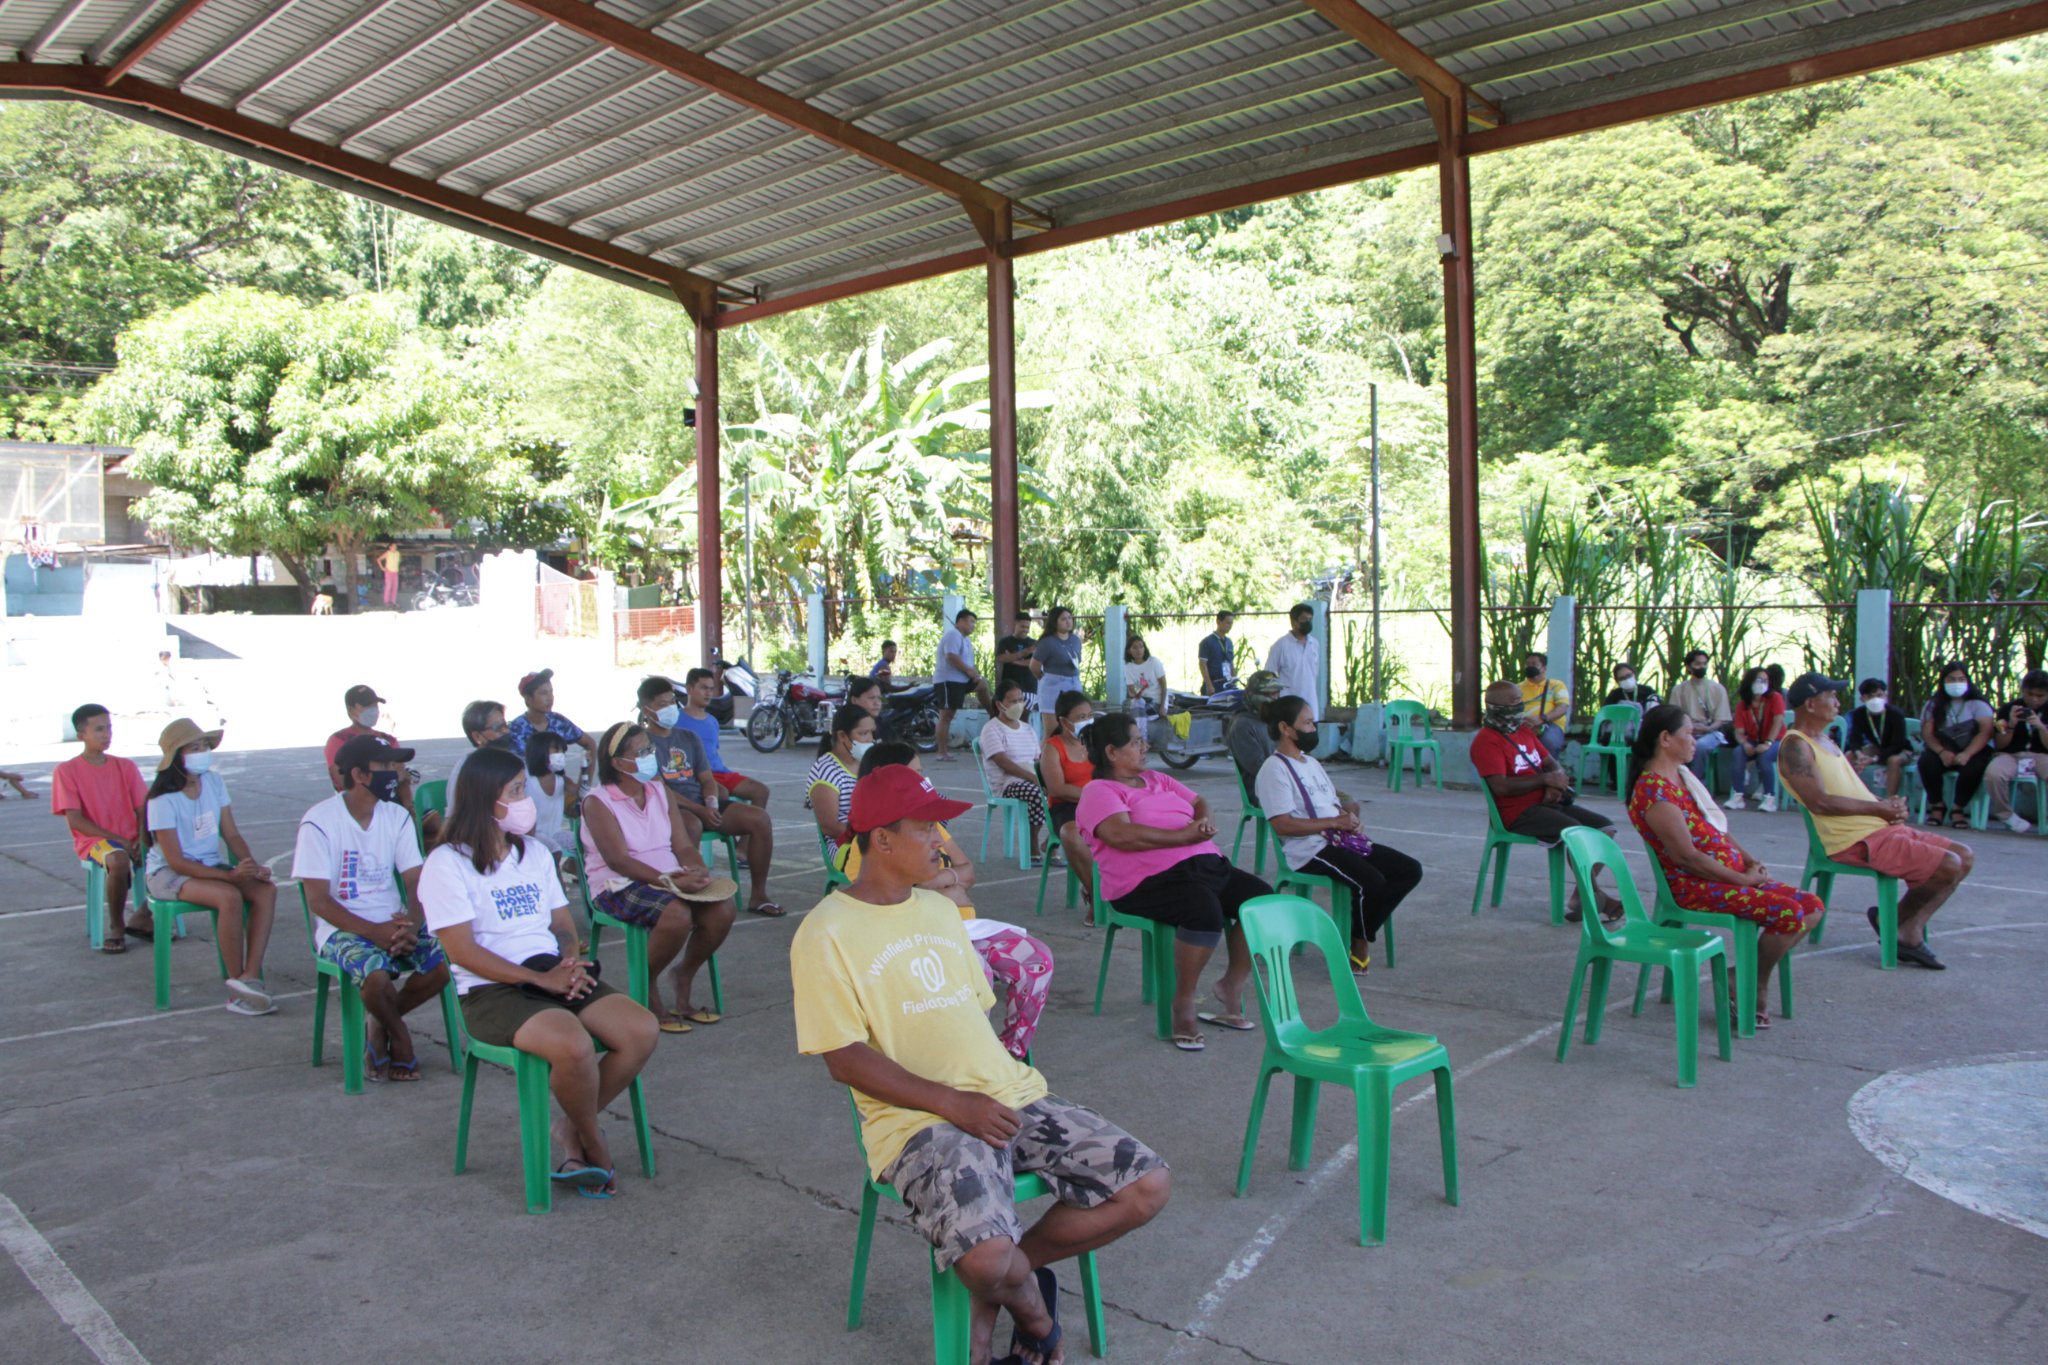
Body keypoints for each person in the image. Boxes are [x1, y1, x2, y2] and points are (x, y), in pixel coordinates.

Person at [790, 764, 1168, 1364]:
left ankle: (1010, 1279)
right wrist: (952, 1102)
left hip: (1010, 1094)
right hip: (918, 1121)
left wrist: (983, 1093)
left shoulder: (940, 911)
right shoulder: (825, 932)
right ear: (881, 839)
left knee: (1146, 1185)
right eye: (926, 828)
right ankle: (1036, 1316)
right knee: (986, 1259)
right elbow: (844, 1058)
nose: (941, 841)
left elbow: (971, 1011)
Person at [420, 746, 657, 1196]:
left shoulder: (532, 853)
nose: (526, 800)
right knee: (573, 1045)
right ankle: (592, 1141)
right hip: (490, 989)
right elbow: (461, 951)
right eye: (516, 791)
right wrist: (538, 980)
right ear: (487, 800)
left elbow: (562, 924)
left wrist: (569, 961)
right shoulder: (447, 863)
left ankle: (571, 1128)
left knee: (640, 1029)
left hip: (550, 969)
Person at [837, 743, 1057, 1061]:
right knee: (976, 974)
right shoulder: (866, 851)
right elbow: (887, 898)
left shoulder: (926, 825)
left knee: (1036, 958)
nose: (937, 839)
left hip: (967, 928)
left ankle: (1010, 1053)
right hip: (922, 939)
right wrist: (947, 889)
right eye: (913, 774)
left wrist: (940, 884)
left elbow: (967, 870)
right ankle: (968, 1062)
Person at [1077, 713, 1270, 1051]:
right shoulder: (1099, 790)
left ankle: (1231, 983)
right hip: (1145, 881)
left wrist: (1203, 823)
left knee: (1262, 901)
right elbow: (1121, 835)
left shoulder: (1157, 778)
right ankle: (1184, 1001)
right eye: (1136, 742)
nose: (1145, 747)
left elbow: (1199, 802)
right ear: (1111, 752)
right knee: (1204, 911)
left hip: (1204, 865)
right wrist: (1183, 836)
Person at [1625, 705, 1821, 1029]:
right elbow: (1686, 857)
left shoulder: (1682, 778)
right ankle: (1755, 983)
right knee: (1789, 912)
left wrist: (1749, 860)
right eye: (1688, 733)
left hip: (1729, 876)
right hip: (1694, 886)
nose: (1694, 740)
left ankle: (1743, 976)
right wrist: (1741, 881)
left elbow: (1717, 829)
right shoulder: (1654, 792)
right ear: (1665, 739)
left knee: (1811, 907)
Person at [1777, 673, 1970, 969]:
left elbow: (1851, 792)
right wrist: (1879, 810)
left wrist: (1887, 805)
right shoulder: (1795, 746)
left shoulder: (1826, 741)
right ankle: (1902, 929)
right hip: (1852, 840)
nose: (1837, 702)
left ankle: (1901, 923)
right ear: (1811, 704)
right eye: (1831, 696)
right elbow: (1820, 802)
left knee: (1964, 856)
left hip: (1875, 828)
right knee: (1948, 865)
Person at [295, 735, 449, 1080]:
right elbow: (318, 900)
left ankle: (379, 1023)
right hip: (342, 928)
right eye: (385, 766)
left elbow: (416, 881)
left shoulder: (396, 817)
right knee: (375, 975)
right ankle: (400, 1036)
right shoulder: (319, 821)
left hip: (394, 922)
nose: (395, 773)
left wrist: (412, 924)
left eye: (396, 765)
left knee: (444, 962)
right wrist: (374, 932)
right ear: (360, 775)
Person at [579, 722, 737, 1030]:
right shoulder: (598, 801)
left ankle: (684, 973)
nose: (650, 756)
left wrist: (696, 869)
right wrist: (669, 881)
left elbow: (682, 845)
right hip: (618, 885)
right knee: (676, 913)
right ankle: (647, 983)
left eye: (649, 749)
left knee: (722, 909)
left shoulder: (659, 790)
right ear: (618, 763)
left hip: (670, 878)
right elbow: (619, 860)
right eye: (641, 752)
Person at [1256, 695, 1420, 975]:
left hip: (1338, 840)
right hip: (1310, 850)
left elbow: (1333, 802)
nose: (1313, 729)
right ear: (1285, 728)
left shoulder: (1311, 763)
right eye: (1307, 723)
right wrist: (1334, 821)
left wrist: (1349, 816)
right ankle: (1358, 941)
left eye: (1313, 723)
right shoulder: (1274, 769)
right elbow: (1282, 825)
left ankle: (1360, 931)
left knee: (1409, 870)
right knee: (1371, 881)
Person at [146, 718, 277, 1014]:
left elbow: (231, 834)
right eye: (194, 748)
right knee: (228, 896)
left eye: (205, 746)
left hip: (209, 865)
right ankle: (237, 986)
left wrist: (250, 865)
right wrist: (228, 876)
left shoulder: (214, 782)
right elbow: (176, 860)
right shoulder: (162, 800)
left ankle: (250, 976)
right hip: (167, 873)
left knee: (265, 891)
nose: (203, 752)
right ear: (177, 756)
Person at [1470, 681, 1622, 921]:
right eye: (1515, 701)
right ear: (1496, 706)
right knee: (1577, 833)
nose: (1521, 705)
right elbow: (1501, 786)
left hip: (1547, 802)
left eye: (1521, 699)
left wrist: (1556, 783)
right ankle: (1593, 896)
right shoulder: (1486, 741)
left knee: (1605, 828)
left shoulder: (1523, 731)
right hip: (1518, 812)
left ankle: (1581, 896)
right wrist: (1544, 780)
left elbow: (1551, 763)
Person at [639, 674, 780, 915]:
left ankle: (759, 896)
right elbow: (660, 789)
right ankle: (687, 897)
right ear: (647, 710)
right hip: (671, 807)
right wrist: (700, 810)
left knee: (759, 819)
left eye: (672, 702)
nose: (670, 708)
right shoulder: (643, 744)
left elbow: (706, 779)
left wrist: (712, 803)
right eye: (662, 704)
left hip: (703, 804)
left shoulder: (688, 738)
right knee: (691, 825)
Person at [52, 703, 151, 951]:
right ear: (81, 735)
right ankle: (117, 926)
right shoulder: (66, 771)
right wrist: (121, 840)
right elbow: (76, 821)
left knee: (173, 852)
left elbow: (143, 810)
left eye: (109, 728)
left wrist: (141, 837)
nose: (107, 734)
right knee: (117, 859)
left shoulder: (125, 766)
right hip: (94, 840)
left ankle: (144, 915)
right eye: (99, 729)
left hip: (132, 836)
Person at [675, 666, 774, 806]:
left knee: (761, 791)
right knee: (721, 794)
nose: (708, 693)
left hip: (720, 773)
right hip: (694, 775)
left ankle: (752, 820)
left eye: (711, 689)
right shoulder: (675, 719)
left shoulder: (712, 721)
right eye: (704, 688)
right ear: (689, 689)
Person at [1917, 661, 1996, 829]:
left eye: (1961, 679)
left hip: (1972, 750)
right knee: (1926, 762)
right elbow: (1927, 733)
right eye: (1951, 679)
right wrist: (1941, 752)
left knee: (1974, 767)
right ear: (1943, 681)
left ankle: (1958, 808)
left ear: (1968, 681)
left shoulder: (1979, 704)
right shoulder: (1933, 705)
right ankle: (1937, 805)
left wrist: (1967, 753)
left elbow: (1986, 732)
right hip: (1942, 748)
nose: (1956, 683)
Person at [1039, 690, 1098, 910]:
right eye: (1081, 717)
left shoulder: (1095, 742)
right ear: (1064, 721)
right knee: (1071, 834)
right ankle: (1096, 896)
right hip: (1066, 807)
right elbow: (1056, 789)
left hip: (1099, 803)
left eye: (1090, 716)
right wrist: (1092, 794)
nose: (1087, 721)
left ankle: (1121, 890)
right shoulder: (1052, 747)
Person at [979, 678, 1050, 863]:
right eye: (1013, 701)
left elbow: (1037, 759)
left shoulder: (1027, 729)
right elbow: (1004, 762)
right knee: (1037, 794)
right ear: (999, 704)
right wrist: (1033, 779)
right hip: (1007, 784)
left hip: (1031, 777)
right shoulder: (991, 729)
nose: (1019, 705)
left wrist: (1046, 777)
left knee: (1064, 792)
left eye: (1020, 700)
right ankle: (1032, 845)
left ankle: (1052, 842)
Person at [1988, 669, 2048, 834]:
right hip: (2011, 755)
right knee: (1994, 774)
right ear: (2023, 690)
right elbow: (2000, 744)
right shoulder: (2008, 709)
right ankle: (2005, 814)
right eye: (2030, 694)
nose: (2034, 699)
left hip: (2041, 755)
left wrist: (2041, 727)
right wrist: (2011, 725)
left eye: (2040, 696)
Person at [808, 707, 877, 846]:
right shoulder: (827, 771)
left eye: (872, 732)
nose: (870, 739)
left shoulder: (866, 762)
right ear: (842, 736)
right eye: (863, 733)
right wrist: (872, 839)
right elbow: (830, 827)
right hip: (845, 846)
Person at [1727, 665, 1786, 812]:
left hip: (1776, 740)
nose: (1763, 683)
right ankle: (1737, 796)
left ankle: (1769, 798)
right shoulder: (1742, 705)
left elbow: (1778, 722)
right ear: (1750, 681)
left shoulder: (1775, 698)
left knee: (1764, 756)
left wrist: (1768, 743)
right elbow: (1739, 731)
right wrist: (1745, 744)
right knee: (1738, 752)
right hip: (1754, 740)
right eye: (1759, 680)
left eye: (1766, 680)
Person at [507, 669, 597, 765]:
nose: (550, 698)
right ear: (528, 698)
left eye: (551, 692)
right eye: (544, 693)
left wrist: (586, 773)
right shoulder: (516, 729)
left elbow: (590, 743)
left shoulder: (558, 721)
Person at [1669, 650, 1733, 783]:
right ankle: (1675, 782)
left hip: (1712, 732)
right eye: (1698, 664)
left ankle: (1697, 784)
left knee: (1700, 746)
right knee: (1674, 744)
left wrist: (1708, 729)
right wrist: (1690, 727)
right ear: (1688, 667)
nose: (1702, 667)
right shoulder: (1679, 690)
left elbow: (1721, 719)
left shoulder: (1718, 689)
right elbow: (1675, 716)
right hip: (1687, 730)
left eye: (1704, 664)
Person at [935, 608, 989, 763]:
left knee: (983, 685)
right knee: (946, 716)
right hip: (949, 680)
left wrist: (973, 673)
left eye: (974, 623)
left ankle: (992, 712)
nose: (973, 626)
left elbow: (967, 662)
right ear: (960, 621)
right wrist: (968, 670)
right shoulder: (953, 635)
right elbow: (951, 656)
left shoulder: (966, 640)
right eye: (971, 622)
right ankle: (942, 752)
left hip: (963, 680)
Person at [1845, 678, 1912, 799]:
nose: (1875, 699)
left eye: (1879, 695)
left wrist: (1874, 759)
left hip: (1901, 750)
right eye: (1870, 696)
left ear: (1885, 695)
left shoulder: (1895, 714)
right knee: (1849, 755)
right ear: (1862, 699)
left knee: (1893, 761)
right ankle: (1850, 794)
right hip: (1877, 747)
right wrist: (1860, 754)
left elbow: (1897, 744)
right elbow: (1855, 738)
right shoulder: (1859, 714)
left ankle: (1890, 799)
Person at [324, 684, 397, 792]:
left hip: (390, 799)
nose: (374, 710)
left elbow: (401, 776)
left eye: (375, 705)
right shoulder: (338, 740)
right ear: (350, 709)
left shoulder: (389, 740)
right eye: (367, 705)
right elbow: (344, 782)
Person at [523, 731, 581, 861]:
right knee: (555, 850)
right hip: (533, 834)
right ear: (540, 751)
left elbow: (578, 791)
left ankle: (573, 867)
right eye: (556, 749)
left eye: (562, 751)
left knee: (588, 841)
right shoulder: (526, 779)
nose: (560, 754)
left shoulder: (561, 779)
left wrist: (585, 769)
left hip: (555, 833)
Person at [1227, 670, 1284, 795]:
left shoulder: (1270, 720)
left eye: (1277, 693)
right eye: (1271, 694)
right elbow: (1260, 769)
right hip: (1264, 792)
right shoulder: (1242, 725)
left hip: (1281, 785)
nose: (1276, 698)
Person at [1264, 603, 1321, 721]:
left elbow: (1314, 673)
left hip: (1311, 705)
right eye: (1304, 619)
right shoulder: (1280, 645)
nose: (1308, 622)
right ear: (1294, 622)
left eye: (1310, 619)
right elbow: (1269, 674)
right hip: (1289, 708)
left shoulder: (1314, 644)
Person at [1032, 606, 1083, 731]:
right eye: (1063, 619)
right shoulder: (1047, 642)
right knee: (1053, 730)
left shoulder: (1076, 640)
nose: (1068, 621)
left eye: (1070, 618)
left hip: (1074, 682)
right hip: (1053, 685)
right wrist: (1045, 679)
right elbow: (1034, 666)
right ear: (1055, 622)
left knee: (1074, 726)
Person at [451, 699, 512, 798]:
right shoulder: (466, 768)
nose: (506, 731)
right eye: (498, 727)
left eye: (505, 725)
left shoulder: (512, 762)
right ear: (478, 737)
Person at [1518, 650, 1570, 755]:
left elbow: (1563, 707)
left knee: (1550, 742)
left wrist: (1541, 719)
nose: (1530, 666)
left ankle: (1549, 766)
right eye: (1527, 664)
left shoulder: (1556, 685)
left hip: (1550, 724)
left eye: (1534, 664)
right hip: (1523, 725)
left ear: (1544, 668)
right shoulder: (1517, 688)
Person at [994, 609, 1040, 705]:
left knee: (1026, 712)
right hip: (1009, 684)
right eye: (1022, 626)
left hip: (1029, 686)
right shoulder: (1005, 642)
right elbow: (1001, 658)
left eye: (1027, 627)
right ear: (1015, 624)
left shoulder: (1033, 643)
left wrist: (1013, 660)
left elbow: (1034, 662)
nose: (1025, 630)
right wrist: (1023, 653)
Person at [1123, 635, 1167, 728]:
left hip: (1156, 701)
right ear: (1129, 651)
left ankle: (1141, 734)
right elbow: (1132, 692)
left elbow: (1163, 685)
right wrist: (1141, 685)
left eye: (1141, 647)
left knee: (1138, 711)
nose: (1138, 650)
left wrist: (1162, 707)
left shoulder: (1153, 662)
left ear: (1144, 648)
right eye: (1135, 648)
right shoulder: (1128, 667)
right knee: (1127, 706)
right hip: (1141, 701)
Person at [1197, 610, 1237, 695]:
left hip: (1227, 683)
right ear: (1219, 622)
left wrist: (1234, 681)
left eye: (1231, 623)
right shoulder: (1207, 642)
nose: (1230, 626)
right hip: (1214, 684)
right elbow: (1202, 664)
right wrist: (1209, 685)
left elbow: (1231, 662)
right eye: (1228, 623)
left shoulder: (1229, 642)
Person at [378, 543, 402, 608]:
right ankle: (386, 601)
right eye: (393, 546)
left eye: (396, 546)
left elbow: (397, 562)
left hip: (395, 572)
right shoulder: (388, 553)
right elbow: (378, 559)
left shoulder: (398, 553)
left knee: (395, 587)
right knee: (388, 587)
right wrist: (382, 568)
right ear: (390, 547)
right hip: (388, 572)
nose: (395, 547)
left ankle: (393, 601)